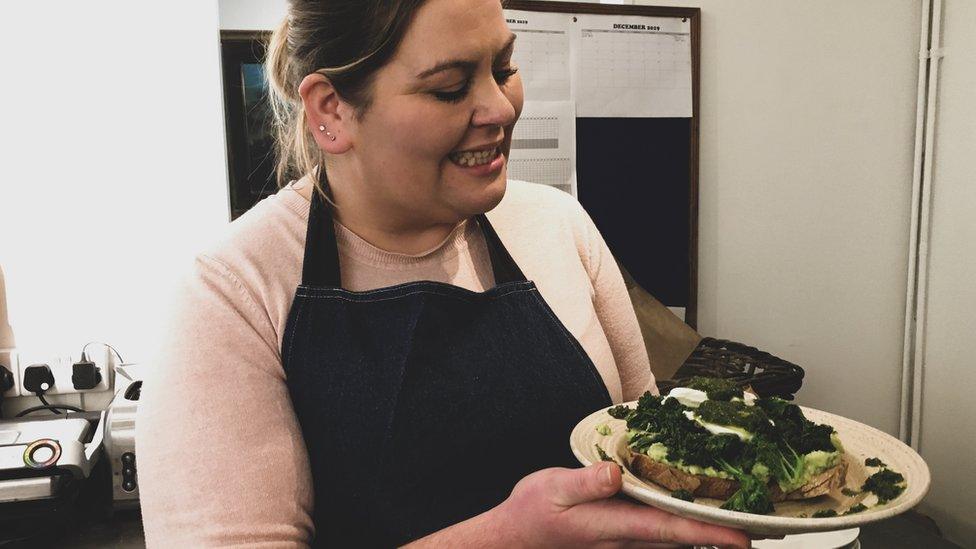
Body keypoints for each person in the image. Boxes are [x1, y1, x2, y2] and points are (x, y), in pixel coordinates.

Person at [137, 0, 749, 547]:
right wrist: (509, 538)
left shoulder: (559, 225)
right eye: (451, 88)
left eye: (504, 67)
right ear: (332, 112)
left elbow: (642, 447)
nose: (500, 106)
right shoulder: (232, 289)